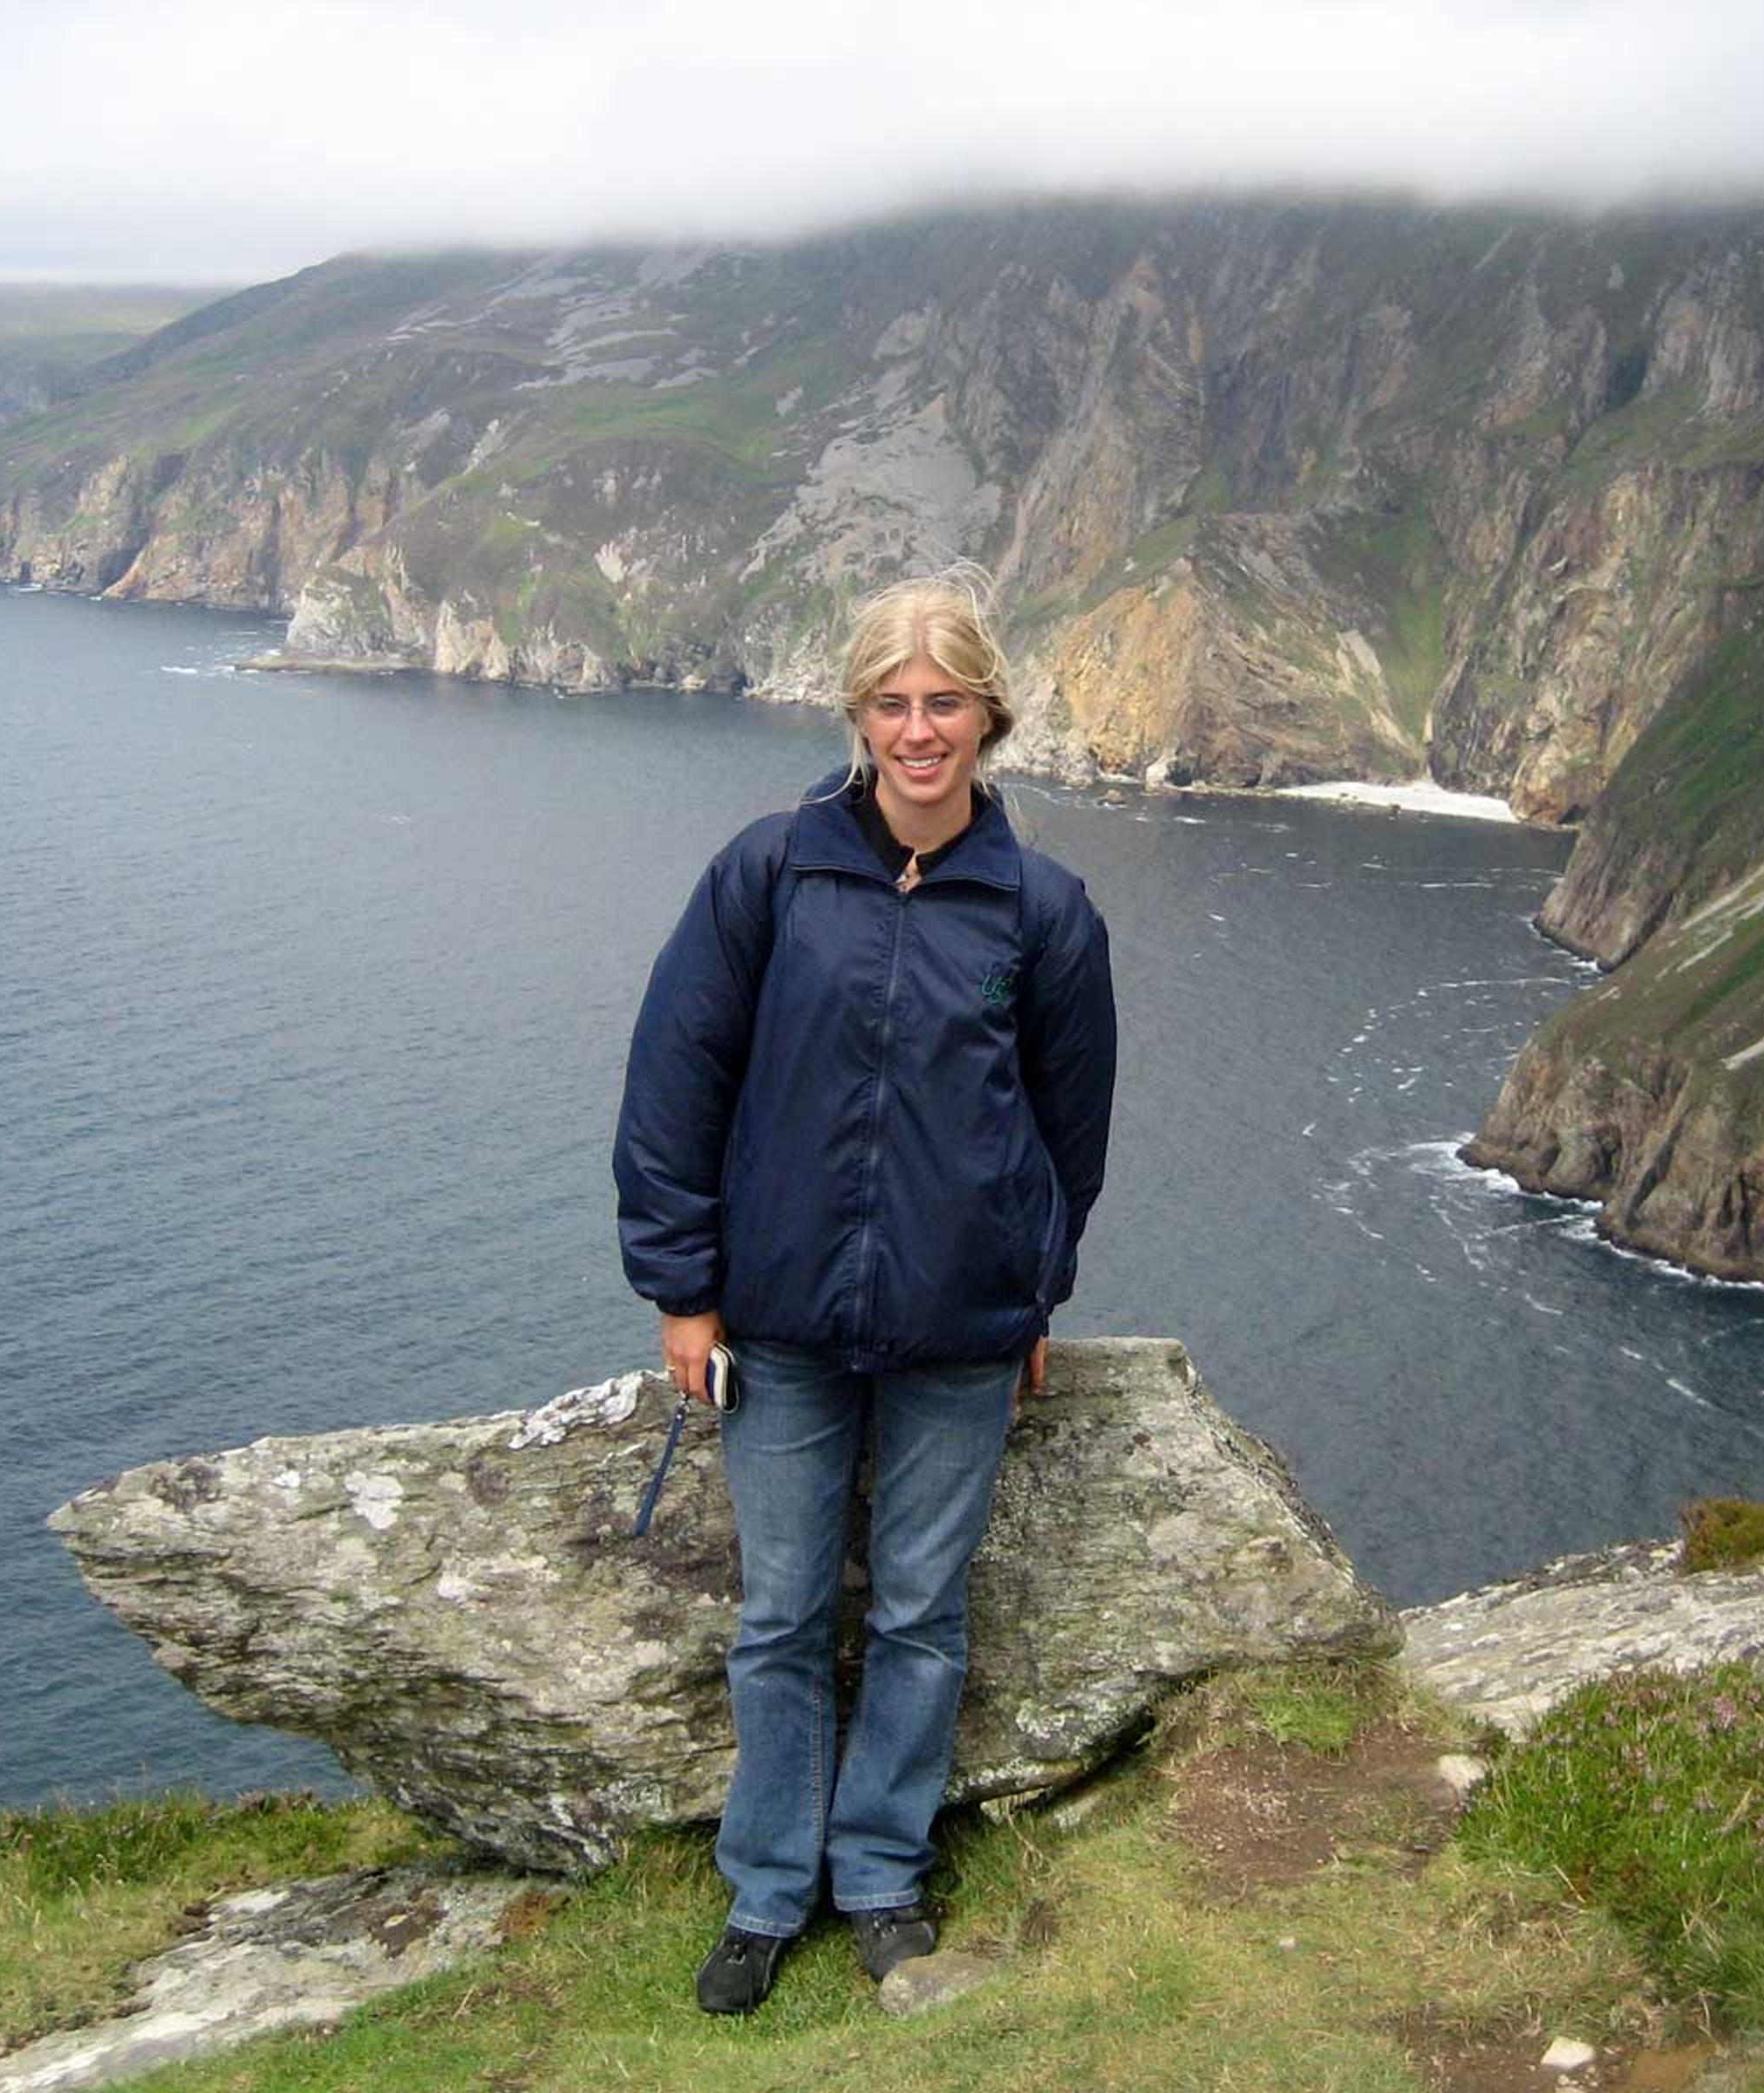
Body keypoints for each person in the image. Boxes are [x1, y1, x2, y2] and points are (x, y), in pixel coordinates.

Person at [611, 568, 1118, 2015]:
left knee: (917, 1616)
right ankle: (769, 1891)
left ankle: (881, 1879)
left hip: (962, 1333)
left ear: (989, 716)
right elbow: (674, 1084)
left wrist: (1031, 1295)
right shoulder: (771, 873)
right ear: (856, 718)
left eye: (943, 701)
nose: (918, 730)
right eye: (892, 704)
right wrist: (682, 1293)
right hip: (776, 1324)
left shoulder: (1043, 912)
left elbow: (1069, 1135)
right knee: (777, 1616)